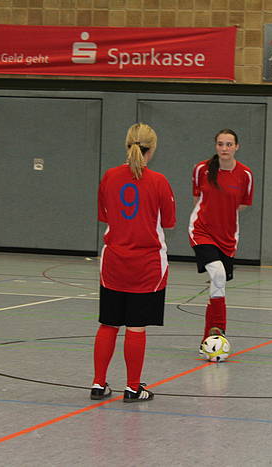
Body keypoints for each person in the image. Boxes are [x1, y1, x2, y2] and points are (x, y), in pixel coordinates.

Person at [91, 123, 176, 402]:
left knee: (108, 324)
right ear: (153, 148)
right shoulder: (159, 181)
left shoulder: (109, 176)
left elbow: (105, 215)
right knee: (136, 327)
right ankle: (133, 387)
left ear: (127, 145)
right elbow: (169, 222)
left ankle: (98, 383)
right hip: (146, 265)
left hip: (114, 262)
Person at [188, 129, 253, 352]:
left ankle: (207, 340)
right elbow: (197, 198)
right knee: (217, 273)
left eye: (229, 144)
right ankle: (220, 329)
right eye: (220, 144)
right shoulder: (202, 169)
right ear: (215, 146)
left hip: (227, 237)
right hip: (201, 231)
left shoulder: (245, 174)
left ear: (237, 147)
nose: (224, 148)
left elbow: (242, 204)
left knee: (218, 283)